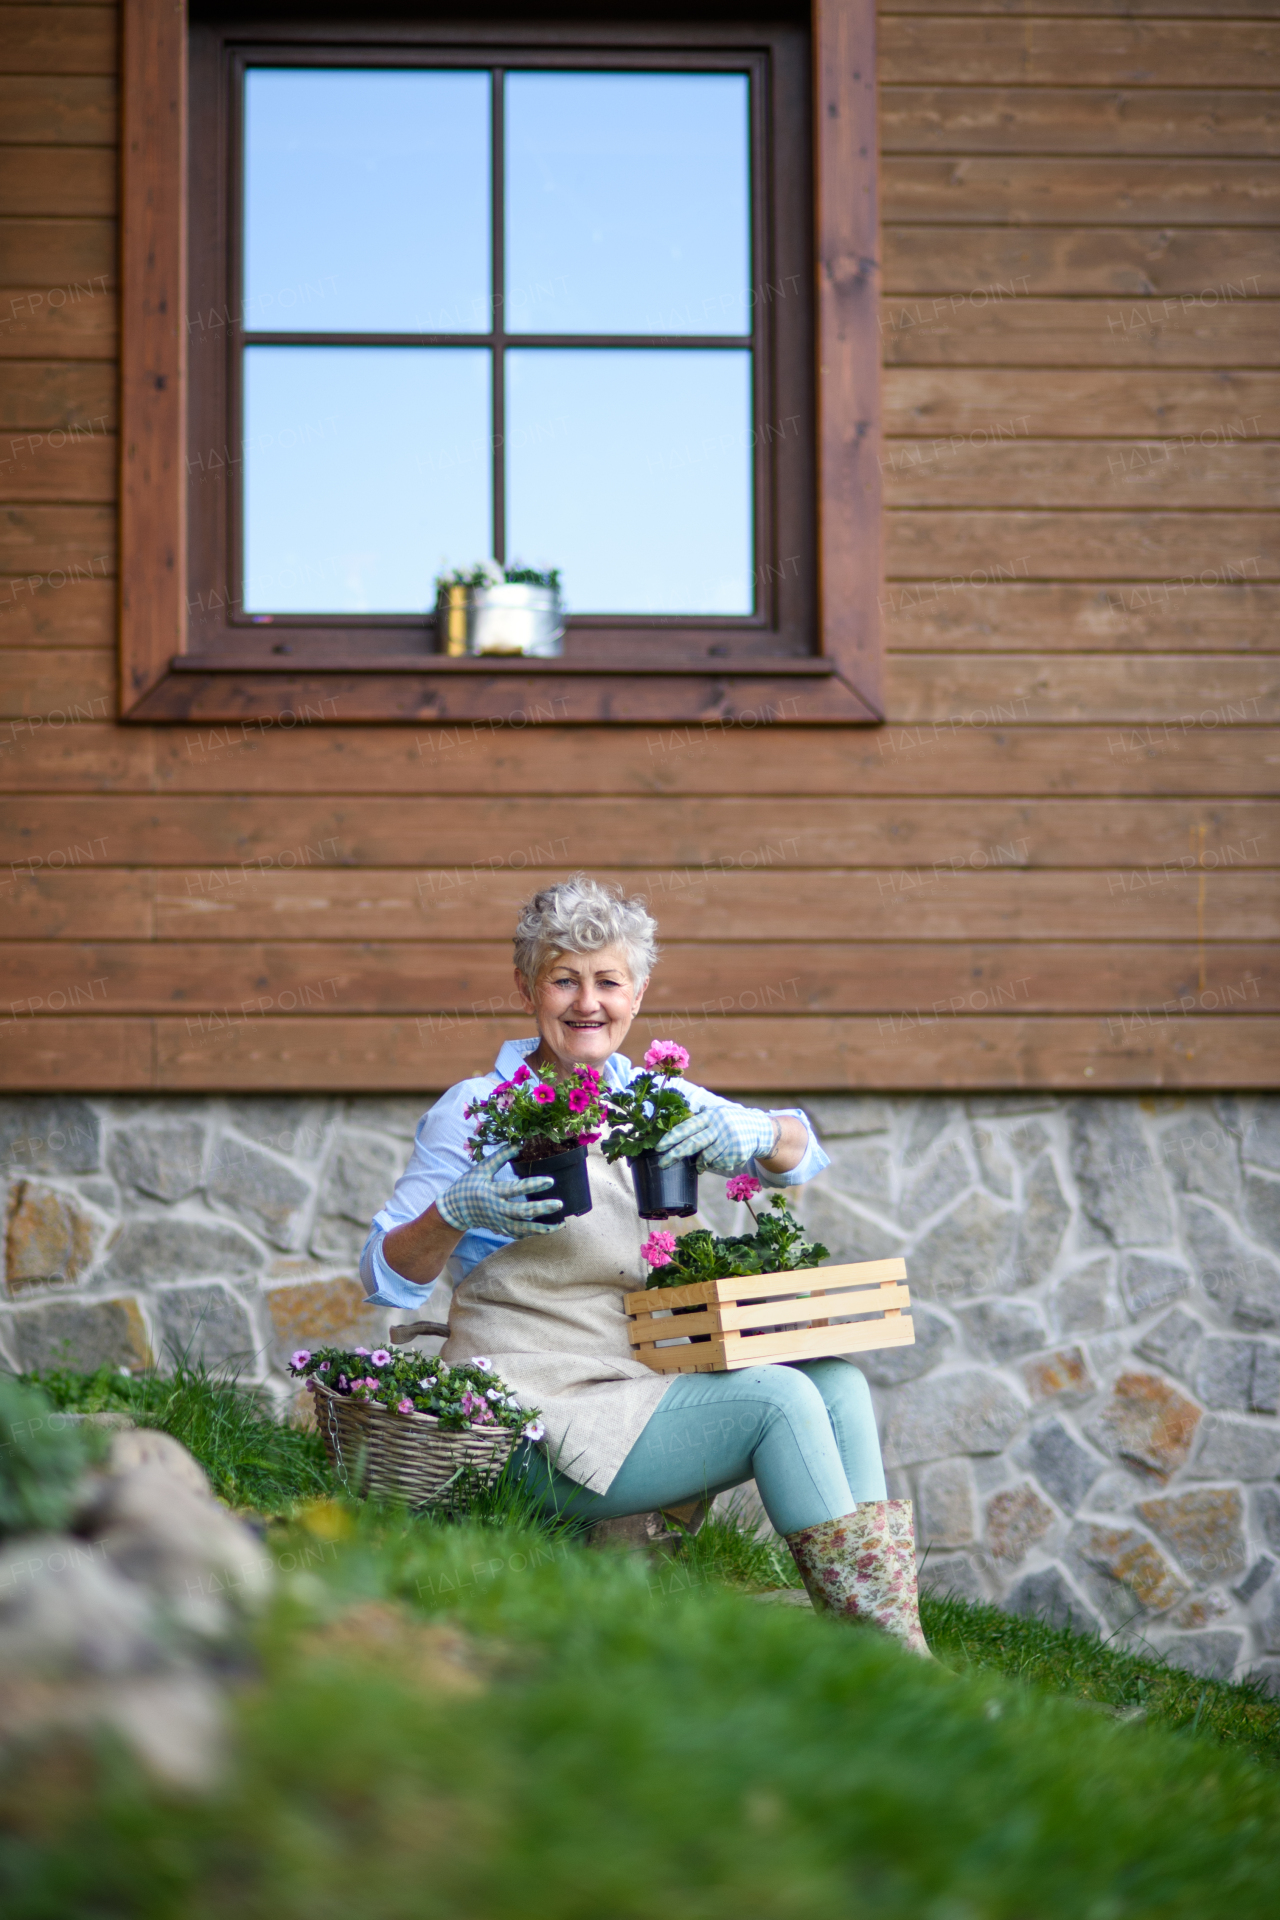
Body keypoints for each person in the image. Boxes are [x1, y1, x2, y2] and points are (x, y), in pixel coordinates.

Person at [361, 874, 929, 1655]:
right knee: (776, 1400)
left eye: (608, 981)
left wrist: (761, 1135)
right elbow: (386, 1273)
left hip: (635, 1388)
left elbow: (804, 1153)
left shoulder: (649, 1098)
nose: (586, 1002)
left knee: (836, 1383)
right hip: (531, 1417)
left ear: (639, 993)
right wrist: (457, 1210)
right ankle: (886, 1663)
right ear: (527, 986)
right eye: (563, 979)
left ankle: (894, 1641)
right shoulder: (478, 1109)